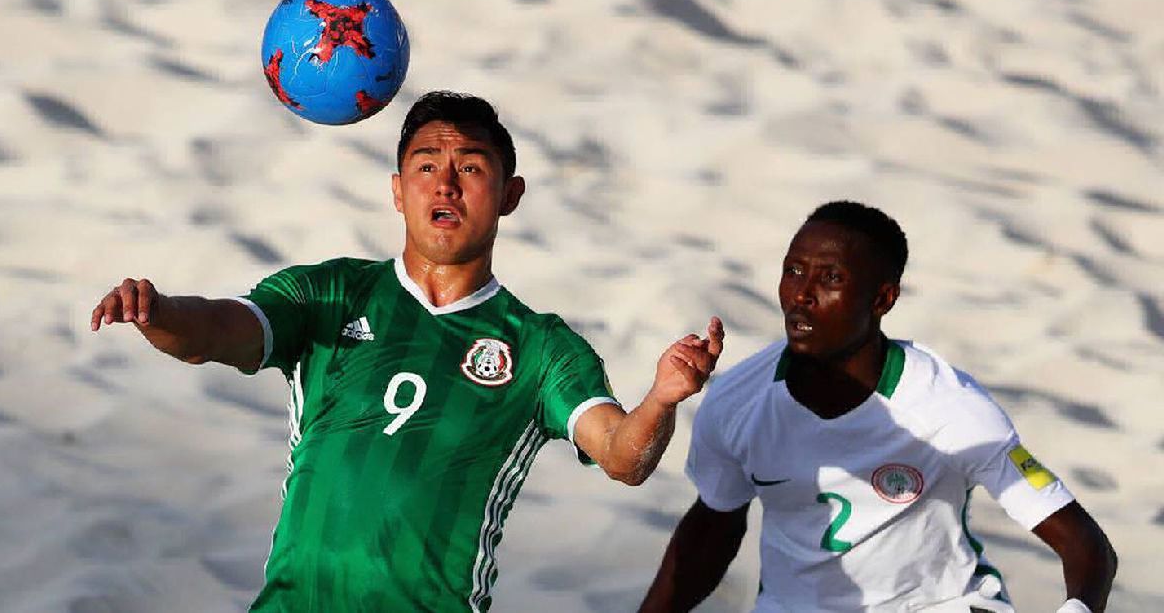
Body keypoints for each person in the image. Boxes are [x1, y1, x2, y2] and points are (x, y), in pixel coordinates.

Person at [90, 91, 725, 612]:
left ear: (510, 195)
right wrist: (160, 310)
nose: (444, 183)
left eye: (470, 168)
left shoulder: (540, 347)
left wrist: (663, 398)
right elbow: (218, 332)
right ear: (398, 190)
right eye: (426, 166)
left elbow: (622, 455)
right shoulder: (330, 292)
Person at [639, 201, 1116, 613]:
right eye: (793, 271)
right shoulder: (735, 400)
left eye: (831, 278)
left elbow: (1086, 547)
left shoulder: (948, 405)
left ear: (883, 299)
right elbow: (712, 531)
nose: (802, 294)